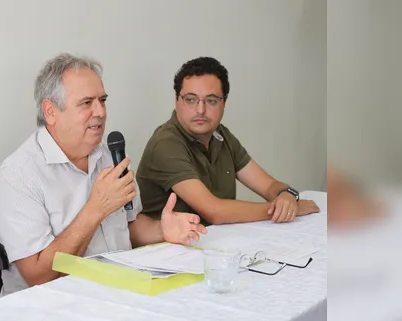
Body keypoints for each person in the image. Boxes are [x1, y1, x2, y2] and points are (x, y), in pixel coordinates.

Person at [0, 53, 207, 296]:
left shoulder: (107, 154)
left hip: (118, 296)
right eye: (86, 103)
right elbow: (39, 276)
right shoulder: (18, 175)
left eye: (102, 101)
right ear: (50, 111)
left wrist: (161, 230)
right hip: (48, 311)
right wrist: (96, 208)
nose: (100, 112)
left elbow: (130, 226)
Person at [136, 57, 320, 226]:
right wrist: (281, 210)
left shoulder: (220, 134)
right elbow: (214, 211)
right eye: (190, 100)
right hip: (165, 253)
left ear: (224, 103)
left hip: (213, 243)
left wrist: (286, 196)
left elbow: (268, 185)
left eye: (211, 101)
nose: (200, 110)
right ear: (177, 101)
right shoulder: (166, 143)